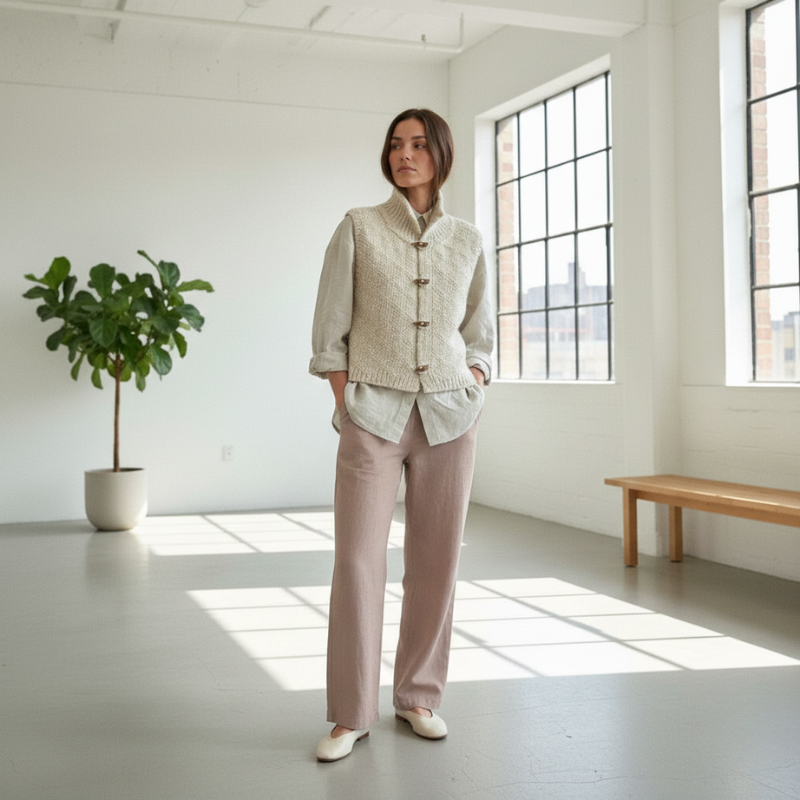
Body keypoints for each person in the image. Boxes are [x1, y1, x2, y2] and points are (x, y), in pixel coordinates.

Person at [309, 108, 493, 762]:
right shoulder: (358, 228)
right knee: (358, 561)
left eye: (418, 145)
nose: (404, 154)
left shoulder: (468, 239)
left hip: (450, 417)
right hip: (373, 416)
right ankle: (349, 714)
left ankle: (419, 696)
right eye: (395, 144)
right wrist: (346, 396)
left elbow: (481, 335)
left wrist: (474, 379)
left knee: (436, 561)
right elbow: (329, 334)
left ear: (441, 155)